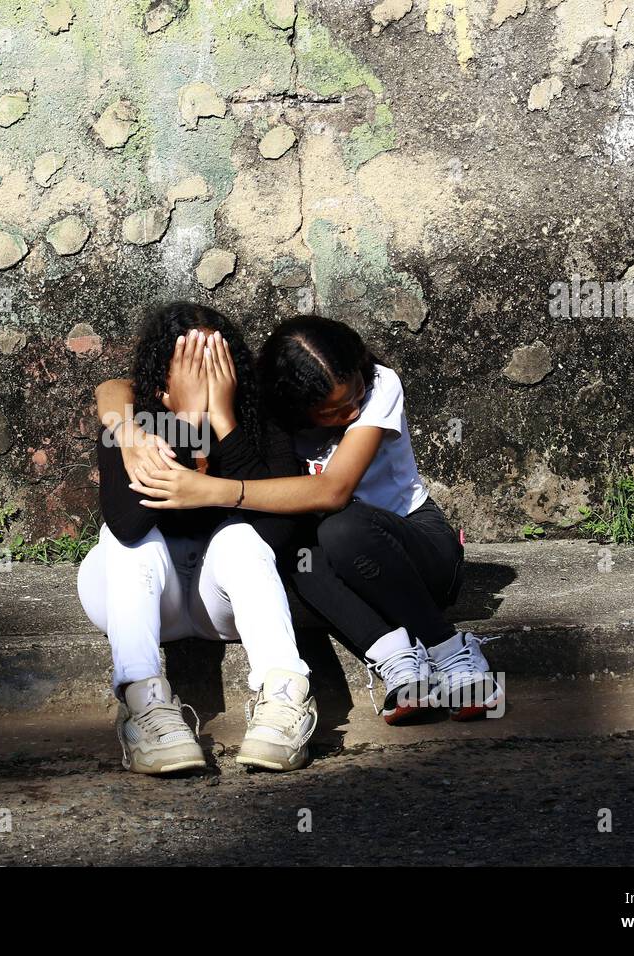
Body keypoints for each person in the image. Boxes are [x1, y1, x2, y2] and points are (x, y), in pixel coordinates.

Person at [101, 315, 502, 724]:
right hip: (334, 564)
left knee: (340, 525)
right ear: (293, 402)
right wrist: (126, 430)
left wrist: (213, 486)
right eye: (332, 412)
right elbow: (113, 388)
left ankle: (450, 647)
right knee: (289, 546)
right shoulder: (266, 402)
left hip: (415, 552)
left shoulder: (381, 385)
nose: (352, 412)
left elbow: (332, 491)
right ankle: (396, 657)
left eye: (354, 396)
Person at [78, 302, 318, 775]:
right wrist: (185, 425)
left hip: (217, 602)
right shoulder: (134, 430)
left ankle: (285, 698)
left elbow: (276, 533)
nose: (205, 375)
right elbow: (127, 526)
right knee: (136, 543)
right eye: (191, 363)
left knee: (241, 538)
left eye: (217, 360)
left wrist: (224, 423)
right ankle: (143, 704)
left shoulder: (258, 421)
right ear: (161, 379)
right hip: (143, 592)